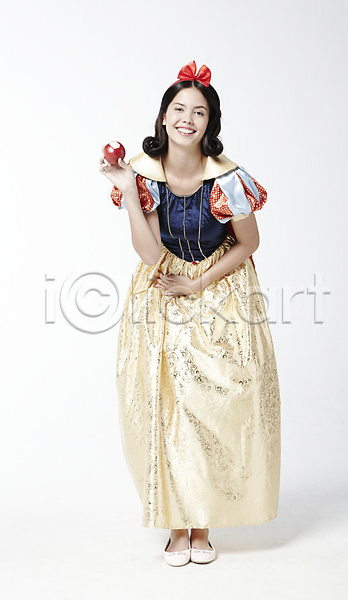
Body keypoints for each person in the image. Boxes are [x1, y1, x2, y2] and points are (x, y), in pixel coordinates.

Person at [99, 60, 281, 567]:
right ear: (163, 117)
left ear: (210, 122)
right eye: (178, 109)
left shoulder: (228, 178)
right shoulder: (144, 174)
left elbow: (248, 243)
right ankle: (177, 525)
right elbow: (150, 253)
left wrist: (199, 282)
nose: (187, 119)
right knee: (168, 403)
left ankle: (202, 524)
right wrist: (126, 188)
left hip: (220, 288)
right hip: (162, 285)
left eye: (198, 112)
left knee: (214, 403)